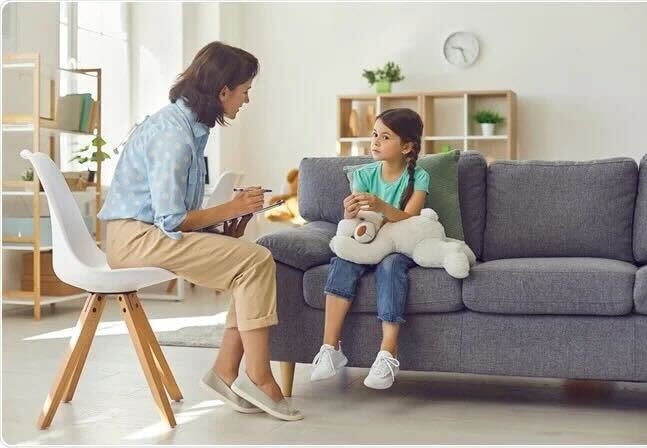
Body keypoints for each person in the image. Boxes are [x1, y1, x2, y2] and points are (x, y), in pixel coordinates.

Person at [99, 41, 302, 421]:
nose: (246, 100)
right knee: (257, 260)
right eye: (245, 91)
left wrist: (226, 222)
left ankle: (227, 372)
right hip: (134, 239)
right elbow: (172, 219)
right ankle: (257, 378)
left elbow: (177, 215)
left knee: (251, 263)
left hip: (148, 234)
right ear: (224, 90)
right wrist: (232, 207)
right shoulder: (172, 134)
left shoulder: (191, 129)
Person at [310, 108, 430, 390]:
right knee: (343, 261)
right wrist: (349, 213)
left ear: (407, 146)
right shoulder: (362, 175)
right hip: (368, 240)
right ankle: (330, 348)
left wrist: (382, 207)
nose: (375, 141)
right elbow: (357, 224)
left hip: (399, 245)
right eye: (374, 134)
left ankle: (388, 354)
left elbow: (411, 217)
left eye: (385, 136)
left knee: (390, 266)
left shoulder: (420, 177)